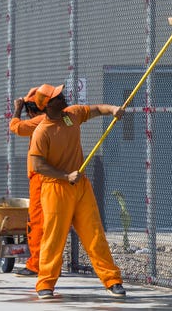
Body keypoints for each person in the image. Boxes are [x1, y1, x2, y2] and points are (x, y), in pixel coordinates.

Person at [29, 83, 126, 299]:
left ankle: (112, 281)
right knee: (54, 239)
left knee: (94, 234)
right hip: (55, 189)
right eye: (58, 96)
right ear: (47, 105)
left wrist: (112, 110)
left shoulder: (70, 115)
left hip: (81, 187)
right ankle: (45, 284)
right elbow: (37, 165)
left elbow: (95, 109)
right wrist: (65, 176)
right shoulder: (41, 132)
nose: (63, 97)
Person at [8, 87, 46, 277]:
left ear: (31, 110)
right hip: (54, 177)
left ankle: (36, 264)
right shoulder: (62, 118)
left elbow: (16, 127)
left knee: (37, 221)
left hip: (41, 178)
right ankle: (49, 262)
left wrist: (17, 108)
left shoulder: (41, 120)